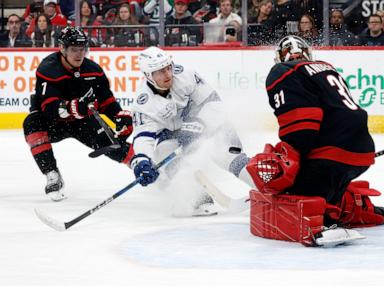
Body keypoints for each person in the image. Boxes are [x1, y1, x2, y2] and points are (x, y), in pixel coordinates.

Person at [247, 35, 384, 230]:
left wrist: (290, 157)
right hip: (361, 153)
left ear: (280, 56)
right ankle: (347, 208)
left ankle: (327, 215)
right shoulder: (326, 67)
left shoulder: (282, 71)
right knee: (327, 188)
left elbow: (301, 130)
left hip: (330, 157)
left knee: (291, 197)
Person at [130, 46, 251, 216]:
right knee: (163, 154)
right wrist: (142, 160)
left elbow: (213, 103)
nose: (167, 74)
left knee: (224, 152)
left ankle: (263, 184)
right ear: (149, 75)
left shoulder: (186, 75)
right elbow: (144, 137)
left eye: (168, 68)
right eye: (160, 72)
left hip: (211, 124)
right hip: (174, 134)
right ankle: (197, 200)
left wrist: (199, 123)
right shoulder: (144, 104)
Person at [23, 26, 133, 202]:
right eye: (74, 49)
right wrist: (72, 108)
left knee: (110, 142)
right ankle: (52, 173)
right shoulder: (48, 68)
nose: (79, 54)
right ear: (62, 49)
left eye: (82, 49)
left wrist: (120, 117)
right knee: (31, 123)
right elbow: (49, 107)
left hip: (82, 121)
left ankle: (138, 162)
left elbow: (107, 101)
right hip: (53, 123)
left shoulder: (94, 70)